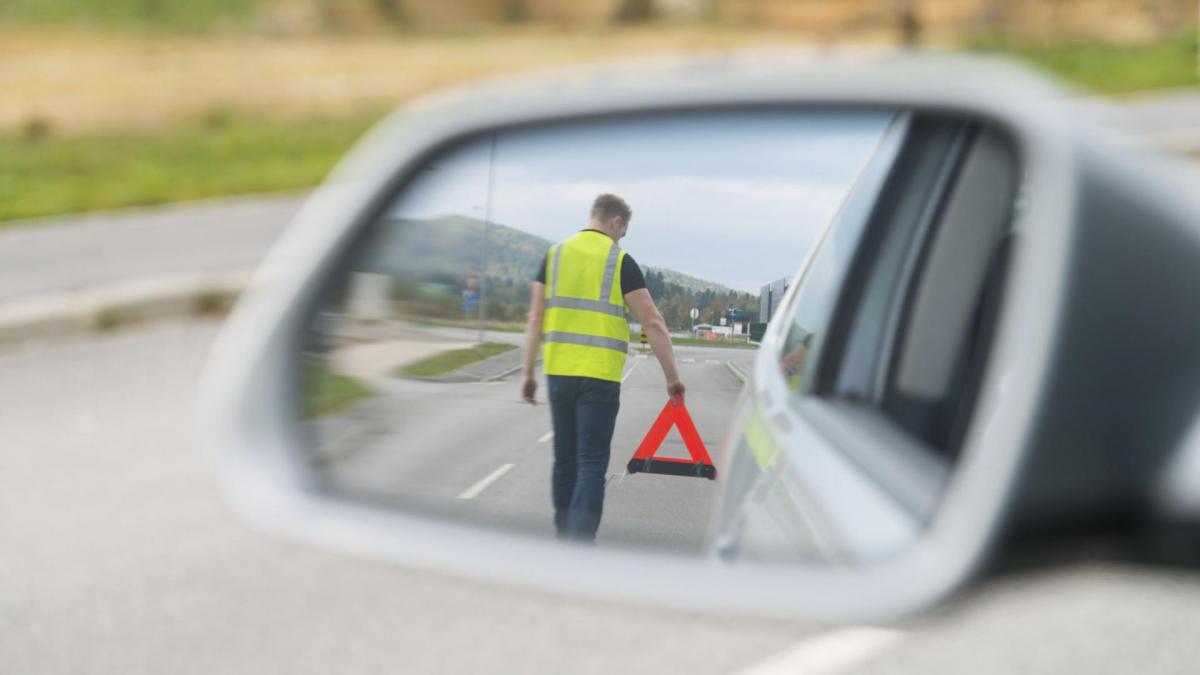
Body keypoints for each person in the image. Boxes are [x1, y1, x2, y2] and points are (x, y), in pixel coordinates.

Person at [520, 193, 685, 542]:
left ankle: (564, 535)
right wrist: (672, 377)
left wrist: (527, 374)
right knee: (591, 464)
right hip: (600, 378)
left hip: (559, 374)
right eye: (622, 232)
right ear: (615, 223)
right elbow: (653, 322)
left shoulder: (554, 256)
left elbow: (535, 318)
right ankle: (579, 544)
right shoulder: (620, 260)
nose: (621, 238)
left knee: (564, 460)